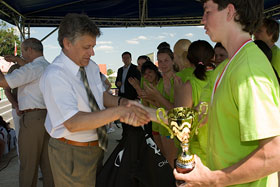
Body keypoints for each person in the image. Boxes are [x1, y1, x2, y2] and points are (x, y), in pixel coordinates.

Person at [173, 0, 280, 186]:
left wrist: (214, 179)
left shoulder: (249, 69)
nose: (202, 20)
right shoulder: (225, 67)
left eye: (207, 11)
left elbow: (274, 153)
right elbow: (199, 115)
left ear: (230, 12)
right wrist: (145, 113)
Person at [39, 13, 149, 186]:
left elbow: (100, 96)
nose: (92, 52)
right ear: (67, 43)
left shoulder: (90, 66)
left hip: (95, 146)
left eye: (93, 46)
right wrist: (119, 112)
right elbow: (73, 122)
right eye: (87, 47)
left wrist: (123, 102)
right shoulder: (55, 75)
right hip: (72, 151)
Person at [0, 38, 54, 187]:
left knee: (28, 166)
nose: (22, 55)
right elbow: (31, 67)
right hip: (47, 118)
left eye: (23, 51)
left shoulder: (32, 68)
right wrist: (17, 59)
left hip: (33, 119)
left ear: (30, 50)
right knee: (47, 165)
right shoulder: (47, 66)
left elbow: (3, 82)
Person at [3, 55, 27, 158]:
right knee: (20, 138)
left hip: (36, 109)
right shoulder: (14, 68)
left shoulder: (35, 66)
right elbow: (6, 89)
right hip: (19, 109)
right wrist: (16, 105)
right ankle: (23, 165)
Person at [115, 51, 141, 137]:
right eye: (124, 58)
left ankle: (132, 139)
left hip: (132, 97)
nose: (125, 59)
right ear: (122, 59)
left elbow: (139, 82)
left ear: (131, 58)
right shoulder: (120, 70)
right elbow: (116, 82)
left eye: (127, 58)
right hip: (122, 96)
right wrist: (117, 83)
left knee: (132, 118)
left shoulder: (135, 69)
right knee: (123, 117)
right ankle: (124, 137)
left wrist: (137, 97)